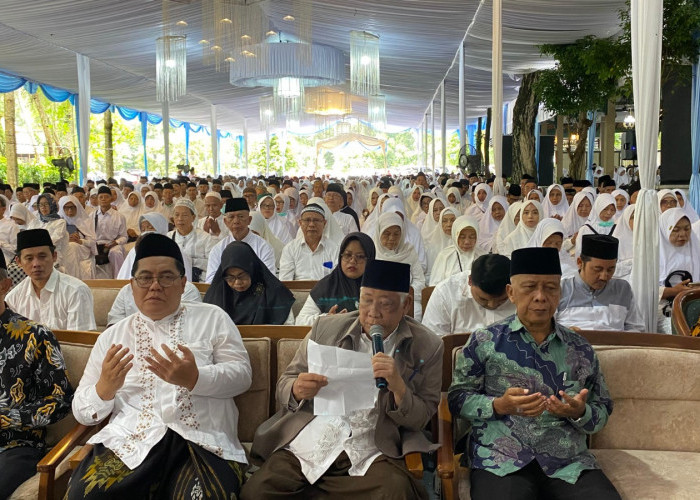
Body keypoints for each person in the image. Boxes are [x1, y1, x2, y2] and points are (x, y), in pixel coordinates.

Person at [67, 233, 251, 499]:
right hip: (132, 441)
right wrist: (104, 389)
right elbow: (81, 412)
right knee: (86, 495)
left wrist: (195, 378)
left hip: (203, 442)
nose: (155, 286)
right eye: (145, 278)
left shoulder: (213, 318)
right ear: (132, 285)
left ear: (183, 283)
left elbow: (242, 376)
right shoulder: (112, 337)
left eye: (166, 277)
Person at [242, 260, 442, 500]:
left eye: (385, 304)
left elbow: (422, 417)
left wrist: (399, 389)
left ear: (405, 305)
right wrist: (297, 389)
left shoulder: (427, 346)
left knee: (395, 492)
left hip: (373, 447)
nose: (373, 312)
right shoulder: (326, 328)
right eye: (366, 300)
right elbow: (285, 383)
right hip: (312, 441)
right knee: (257, 492)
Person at [448, 247, 620, 500]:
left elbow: (602, 407)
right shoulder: (485, 341)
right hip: (501, 459)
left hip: (567, 461)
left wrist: (579, 412)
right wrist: (498, 405)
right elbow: (457, 399)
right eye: (529, 288)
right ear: (511, 293)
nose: (540, 297)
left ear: (560, 293)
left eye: (550, 288)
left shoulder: (580, 348)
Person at [0, 249, 74, 497]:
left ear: (4, 285)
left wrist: (7, 417)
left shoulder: (35, 336)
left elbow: (61, 400)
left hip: (15, 445)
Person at [7, 228, 96, 330]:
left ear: (54, 256)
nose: (36, 264)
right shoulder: (13, 298)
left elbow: (79, 338)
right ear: (18, 262)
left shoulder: (75, 291)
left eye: (42, 256)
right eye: (29, 258)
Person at [556, 235, 644, 332]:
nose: (604, 277)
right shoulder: (560, 289)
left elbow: (637, 329)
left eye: (610, 269)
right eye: (598, 269)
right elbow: (546, 329)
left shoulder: (622, 290)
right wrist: (565, 334)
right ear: (580, 263)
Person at [204, 241, 295, 325]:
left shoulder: (273, 292)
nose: (237, 282)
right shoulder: (216, 295)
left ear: (252, 270)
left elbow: (288, 329)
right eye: (230, 278)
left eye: (242, 276)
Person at [423, 254, 515, 336]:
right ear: (470, 281)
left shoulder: (520, 290)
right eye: (483, 299)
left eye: (502, 300)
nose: (492, 305)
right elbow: (433, 340)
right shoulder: (446, 293)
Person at [295, 232, 376, 326]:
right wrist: (328, 318)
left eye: (360, 256)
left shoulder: (379, 288)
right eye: (347, 255)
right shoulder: (326, 286)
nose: (353, 261)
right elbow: (300, 321)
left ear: (370, 259)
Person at [205, 198, 276, 283]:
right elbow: (211, 281)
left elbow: (269, 279)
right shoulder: (218, 249)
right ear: (225, 221)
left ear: (249, 220)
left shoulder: (263, 247)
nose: (236, 221)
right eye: (231, 217)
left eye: (241, 216)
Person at [657, 208, 700, 333]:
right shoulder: (652, 255)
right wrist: (673, 291)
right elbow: (641, 290)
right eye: (675, 230)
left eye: (687, 229)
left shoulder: (695, 248)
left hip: (694, 306)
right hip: (662, 310)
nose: (682, 234)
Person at [279, 203, 339, 281]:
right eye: (307, 220)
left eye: (316, 220)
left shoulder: (334, 249)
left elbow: (337, 280)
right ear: (300, 223)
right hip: (298, 289)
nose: (311, 224)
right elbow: (285, 280)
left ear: (324, 223)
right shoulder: (290, 249)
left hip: (326, 289)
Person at [168, 198, 216, 282]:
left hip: (199, 282)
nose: (180, 218)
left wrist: (190, 261)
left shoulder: (206, 238)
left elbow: (213, 263)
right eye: (177, 215)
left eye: (184, 215)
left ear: (193, 217)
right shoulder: (168, 237)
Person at [430, 215, 484, 286]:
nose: (467, 242)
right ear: (455, 236)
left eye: (472, 237)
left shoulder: (483, 256)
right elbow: (435, 285)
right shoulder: (445, 256)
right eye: (462, 237)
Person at [58, 195, 98, 279]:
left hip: (82, 248)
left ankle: (72, 278)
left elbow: (92, 242)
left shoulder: (86, 221)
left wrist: (80, 241)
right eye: (66, 207)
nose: (70, 210)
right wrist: (66, 239)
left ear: (77, 207)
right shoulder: (58, 222)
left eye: (72, 207)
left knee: (72, 246)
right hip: (63, 247)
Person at [93, 185, 128, 277]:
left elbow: (124, 236)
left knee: (116, 252)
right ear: (97, 199)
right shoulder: (92, 216)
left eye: (106, 197)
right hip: (96, 244)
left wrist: (116, 242)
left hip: (113, 244)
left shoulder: (119, 216)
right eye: (101, 197)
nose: (103, 199)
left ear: (111, 198)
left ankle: (119, 278)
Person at [574, 193, 616, 258]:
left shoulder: (616, 228)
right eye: (605, 209)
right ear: (598, 208)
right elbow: (579, 252)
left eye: (612, 210)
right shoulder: (586, 229)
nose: (609, 213)